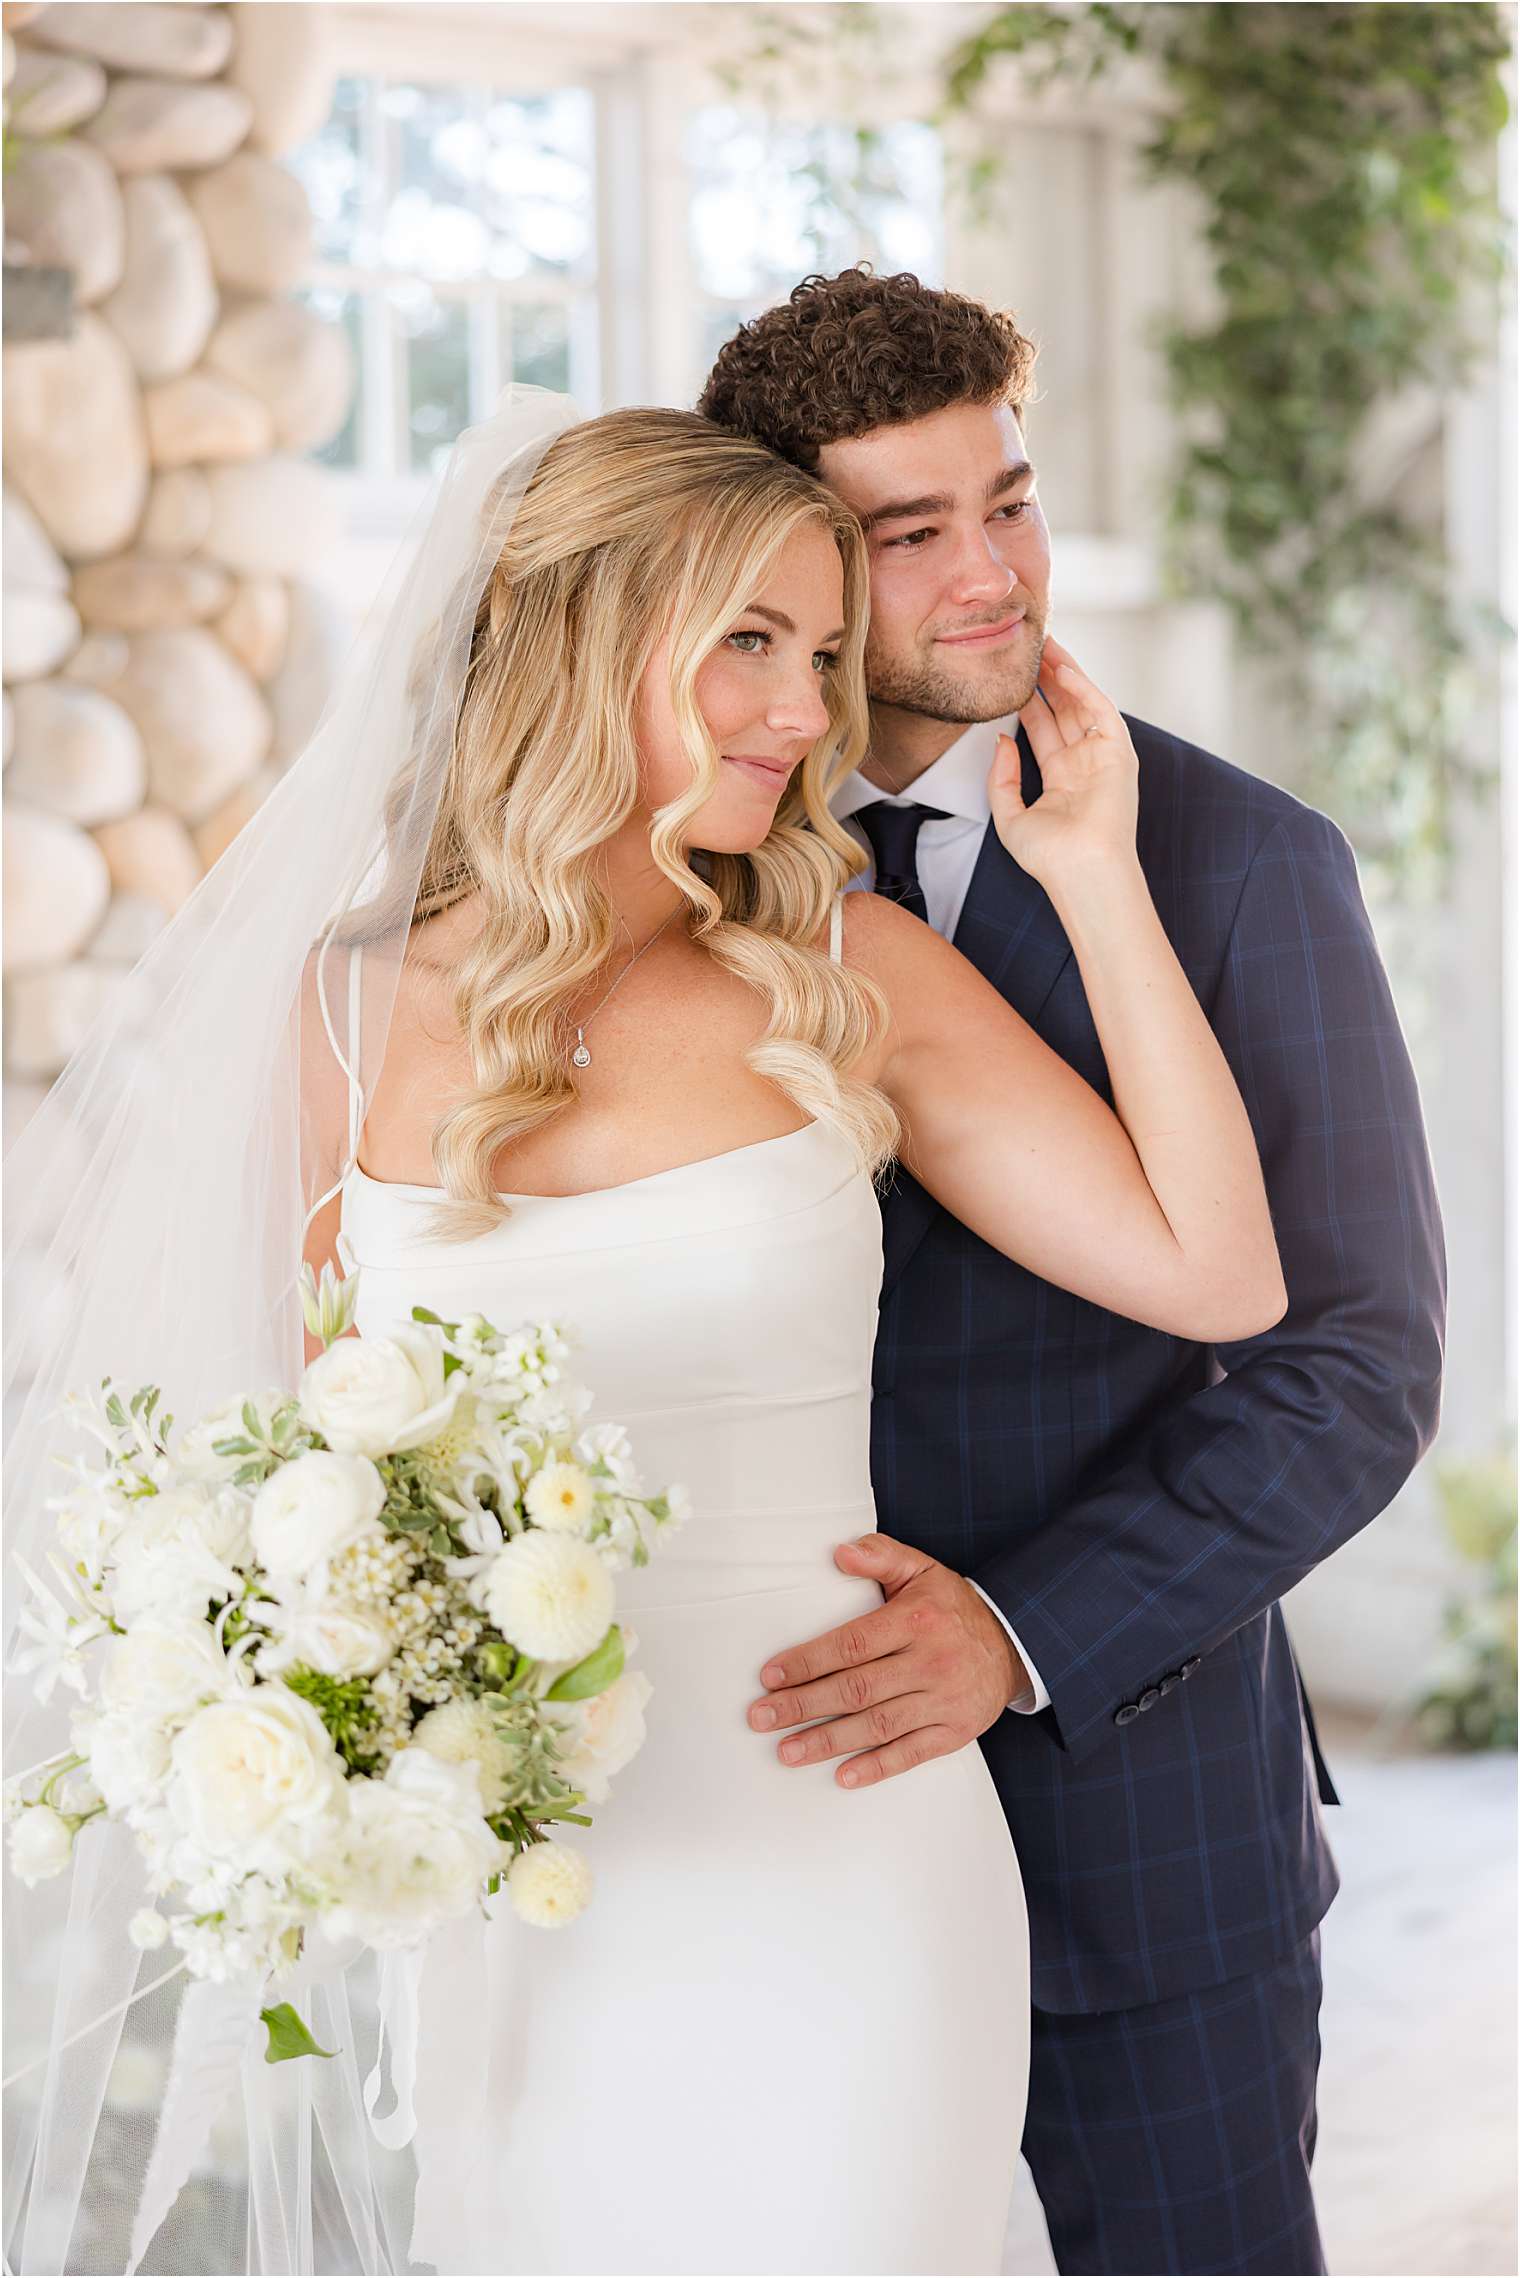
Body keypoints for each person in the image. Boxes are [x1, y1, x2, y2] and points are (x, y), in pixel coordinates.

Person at [4, 394, 1284, 2278]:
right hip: (516, 1889)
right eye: (747, 646)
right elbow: (266, 1475)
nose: (801, 714)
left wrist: (1096, 878)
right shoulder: (341, 1016)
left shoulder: (844, 972)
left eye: (825, 654)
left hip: (841, 1849)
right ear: (583, 642)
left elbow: (1219, 1273)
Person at [699, 267, 1449, 2278]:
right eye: (906, 530)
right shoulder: (672, 875)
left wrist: (1018, 1629)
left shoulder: (1240, 861)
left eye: (1007, 500)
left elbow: (1352, 1368)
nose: (987, 574)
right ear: (786, 564)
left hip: (1143, 1828)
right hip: (753, 1815)